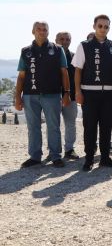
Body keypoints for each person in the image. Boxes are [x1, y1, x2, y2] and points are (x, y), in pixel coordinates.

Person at [73, 14, 112, 171]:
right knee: (89, 126)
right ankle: (89, 158)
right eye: (100, 26)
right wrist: (77, 92)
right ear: (94, 26)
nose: (103, 29)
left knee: (106, 126)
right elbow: (78, 70)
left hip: (109, 93)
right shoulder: (84, 46)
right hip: (89, 93)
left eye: (106, 26)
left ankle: (105, 158)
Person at [15, 21, 70, 168]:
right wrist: (17, 97)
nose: (42, 32)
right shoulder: (25, 51)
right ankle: (35, 156)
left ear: (48, 32)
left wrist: (66, 93)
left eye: (44, 29)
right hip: (29, 95)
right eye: (38, 29)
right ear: (33, 31)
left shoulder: (57, 49)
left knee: (53, 126)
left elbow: (64, 73)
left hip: (52, 94)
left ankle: (55, 156)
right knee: (33, 126)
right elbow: (21, 76)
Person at [55, 31, 79, 159]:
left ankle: (69, 149)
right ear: (56, 39)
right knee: (53, 125)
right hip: (53, 96)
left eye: (67, 39)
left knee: (70, 124)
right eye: (62, 39)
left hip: (72, 97)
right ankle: (53, 150)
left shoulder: (75, 57)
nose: (64, 41)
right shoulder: (51, 56)